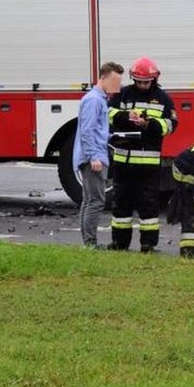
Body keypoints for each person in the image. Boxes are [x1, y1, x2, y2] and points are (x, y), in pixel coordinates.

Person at [107, 57, 178, 253]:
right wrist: (127, 117)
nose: (142, 85)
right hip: (123, 160)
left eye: (146, 82)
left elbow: (171, 124)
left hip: (148, 162)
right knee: (121, 203)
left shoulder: (163, 98)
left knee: (149, 205)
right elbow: (108, 113)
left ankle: (148, 244)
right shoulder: (123, 94)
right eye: (138, 81)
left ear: (154, 79)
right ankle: (119, 243)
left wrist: (149, 125)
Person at [73, 62, 124, 249]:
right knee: (95, 201)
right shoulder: (94, 100)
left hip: (94, 154)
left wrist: (112, 136)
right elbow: (87, 131)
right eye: (114, 82)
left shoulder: (98, 99)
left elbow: (95, 130)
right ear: (102, 78)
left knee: (89, 200)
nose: (117, 87)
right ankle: (91, 243)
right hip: (93, 158)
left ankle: (89, 242)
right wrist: (94, 156)